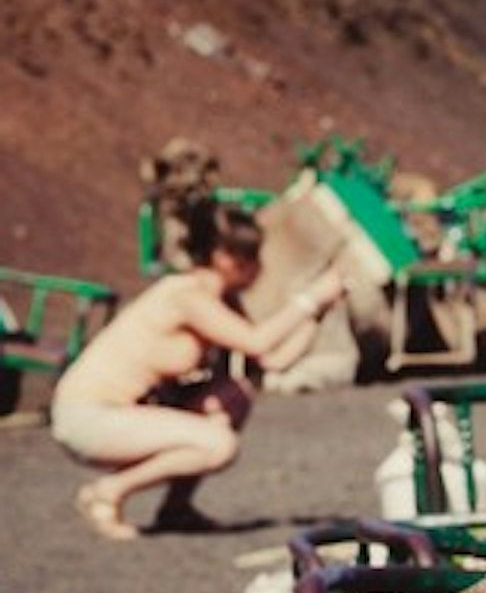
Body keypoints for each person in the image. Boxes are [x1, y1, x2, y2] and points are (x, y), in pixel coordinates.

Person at [50, 204, 346, 539]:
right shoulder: (186, 296)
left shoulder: (220, 299)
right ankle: (106, 493)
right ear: (224, 258)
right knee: (219, 446)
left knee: (234, 396)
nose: (260, 267)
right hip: (89, 417)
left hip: (131, 412)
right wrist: (308, 299)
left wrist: (318, 312)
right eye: (251, 256)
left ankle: (176, 509)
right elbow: (258, 341)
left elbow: (273, 360)